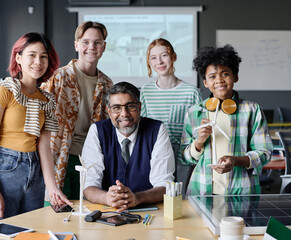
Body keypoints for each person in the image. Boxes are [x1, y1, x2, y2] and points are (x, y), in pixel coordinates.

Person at [0, 32, 71, 225]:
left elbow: (43, 146)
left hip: (35, 174)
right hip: (5, 170)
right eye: (32, 55)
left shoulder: (46, 100)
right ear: (18, 58)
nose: (38, 61)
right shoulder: (3, 91)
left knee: (27, 232)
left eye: (43, 56)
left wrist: (52, 188)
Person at [179, 44, 273, 196]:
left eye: (225, 74)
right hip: (202, 190)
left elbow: (264, 153)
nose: (219, 80)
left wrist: (236, 161)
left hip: (241, 191)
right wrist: (199, 142)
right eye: (212, 76)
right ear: (205, 82)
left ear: (235, 76)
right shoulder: (194, 112)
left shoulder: (252, 110)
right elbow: (184, 158)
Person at [41, 21, 113, 201]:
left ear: (103, 47)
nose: (91, 47)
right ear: (76, 45)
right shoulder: (58, 78)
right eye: (86, 42)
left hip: (92, 161)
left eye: (97, 43)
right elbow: (39, 120)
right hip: (58, 158)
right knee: (57, 213)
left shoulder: (107, 84)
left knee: (89, 215)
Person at [82, 82, 175, 211]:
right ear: (108, 111)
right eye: (116, 108)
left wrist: (137, 198)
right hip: (108, 212)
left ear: (139, 107)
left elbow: (165, 185)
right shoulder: (97, 131)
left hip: (149, 212)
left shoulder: (157, 129)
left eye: (130, 106)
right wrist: (108, 198)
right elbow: (88, 185)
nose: (124, 114)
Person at [140, 38, 202, 188]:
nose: (159, 61)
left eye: (164, 55)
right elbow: (141, 127)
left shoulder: (191, 92)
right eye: (153, 58)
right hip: (155, 154)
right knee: (157, 195)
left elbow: (198, 130)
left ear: (173, 57)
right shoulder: (145, 91)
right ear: (149, 62)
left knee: (181, 198)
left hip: (183, 156)